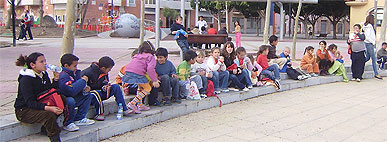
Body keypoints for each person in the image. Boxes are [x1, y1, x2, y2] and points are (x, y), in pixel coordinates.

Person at [14, 52, 62, 142]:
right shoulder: (26, 79)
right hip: (24, 110)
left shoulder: (43, 75)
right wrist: (48, 108)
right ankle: (54, 137)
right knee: (48, 114)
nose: (45, 64)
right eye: (41, 62)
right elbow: (29, 102)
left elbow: (49, 92)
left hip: (39, 103)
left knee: (61, 100)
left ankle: (46, 128)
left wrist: (55, 80)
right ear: (33, 65)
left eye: (45, 61)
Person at [81, 56, 133, 121]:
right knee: (96, 92)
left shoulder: (104, 73)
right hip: (91, 96)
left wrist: (105, 87)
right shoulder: (88, 72)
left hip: (101, 92)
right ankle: (100, 113)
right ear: (103, 68)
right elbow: (82, 86)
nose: (109, 71)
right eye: (109, 69)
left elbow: (105, 82)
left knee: (116, 87)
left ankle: (124, 109)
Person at [58, 54, 95, 132]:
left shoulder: (75, 73)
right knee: (70, 101)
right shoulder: (63, 75)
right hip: (64, 99)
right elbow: (71, 91)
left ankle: (79, 118)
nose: (76, 68)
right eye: (74, 66)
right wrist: (83, 81)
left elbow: (77, 86)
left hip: (74, 96)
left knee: (88, 95)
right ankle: (68, 123)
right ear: (66, 66)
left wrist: (85, 88)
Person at [122, 41, 160, 114]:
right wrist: (154, 80)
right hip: (138, 73)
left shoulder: (137, 55)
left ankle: (140, 104)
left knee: (140, 87)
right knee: (147, 88)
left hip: (128, 71)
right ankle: (132, 103)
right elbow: (150, 69)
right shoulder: (150, 57)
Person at [363, 15, 382, 80]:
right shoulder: (369, 26)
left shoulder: (366, 26)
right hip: (369, 44)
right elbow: (367, 36)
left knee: (367, 58)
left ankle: (360, 63)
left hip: (368, 44)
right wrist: (372, 42)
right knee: (374, 59)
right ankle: (376, 73)